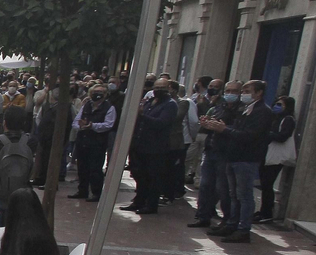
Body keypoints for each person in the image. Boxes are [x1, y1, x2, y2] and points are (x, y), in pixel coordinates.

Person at [204, 79, 276, 243]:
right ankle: (231, 224)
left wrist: (225, 129)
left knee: (244, 195)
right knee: (233, 194)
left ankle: (243, 229)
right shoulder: (246, 109)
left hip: (247, 158)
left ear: (258, 93)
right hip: (233, 156)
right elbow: (237, 129)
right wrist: (220, 127)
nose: (243, 94)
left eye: (247, 91)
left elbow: (250, 136)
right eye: (242, 91)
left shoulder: (262, 111)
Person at [188, 79, 240, 230]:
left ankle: (227, 220)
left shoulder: (241, 110)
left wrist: (223, 128)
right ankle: (203, 216)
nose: (230, 94)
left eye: (234, 91)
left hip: (226, 153)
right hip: (211, 149)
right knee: (205, 186)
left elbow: (240, 131)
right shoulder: (220, 106)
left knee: (223, 189)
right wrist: (207, 123)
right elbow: (212, 120)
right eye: (228, 91)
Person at [121, 78, 178, 215]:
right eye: (156, 87)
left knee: (153, 178)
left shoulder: (170, 105)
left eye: (162, 87)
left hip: (156, 148)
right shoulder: (149, 102)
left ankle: (151, 205)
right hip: (140, 145)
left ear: (169, 88)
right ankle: (138, 201)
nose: (158, 90)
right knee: (140, 175)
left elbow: (161, 123)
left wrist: (141, 115)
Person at [70, 84, 116, 201]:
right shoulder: (86, 105)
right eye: (95, 92)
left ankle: (96, 193)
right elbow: (76, 121)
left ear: (105, 94)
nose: (97, 94)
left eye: (100, 92)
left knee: (95, 168)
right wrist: (80, 126)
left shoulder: (109, 107)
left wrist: (92, 126)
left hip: (97, 142)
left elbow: (108, 124)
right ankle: (82, 190)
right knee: (82, 167)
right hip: (83, 140)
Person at [257, 95, 297, 223]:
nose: (276, 107)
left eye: (280, 105)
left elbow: (283, 136)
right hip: (268, 154)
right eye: (276, 104)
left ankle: (267, 213)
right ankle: (263, 211)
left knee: (268, 184)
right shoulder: (275, 118)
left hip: (276, 156)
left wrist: (267, 134)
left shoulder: (288, 119)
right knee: (264, 184)